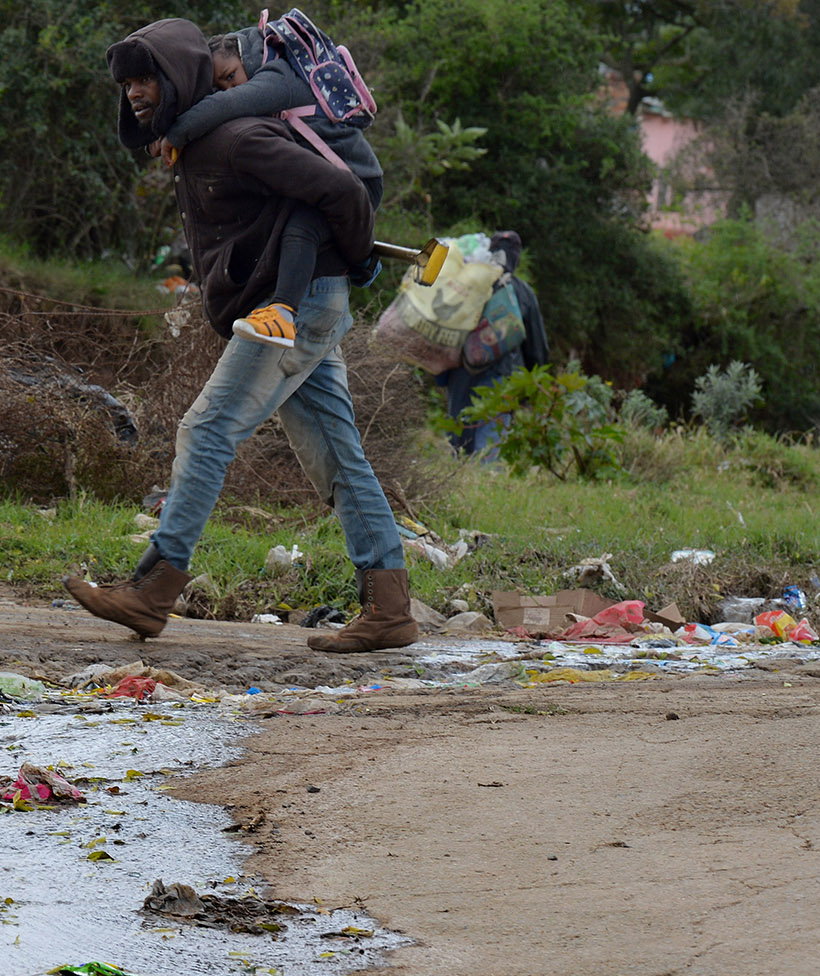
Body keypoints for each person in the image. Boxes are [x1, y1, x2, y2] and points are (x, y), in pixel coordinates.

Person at [77, 17, 414, 654]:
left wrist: (357, 255)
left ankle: (154, 590)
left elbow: (340, 189)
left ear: (178, 76)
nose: (135, 93)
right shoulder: (204, 139)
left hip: (295, 308)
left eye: (146, 77)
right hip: (303, 302)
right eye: (127, 85)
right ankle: (390, 606)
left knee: (206, 429)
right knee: (337, 454)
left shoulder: (234, 136)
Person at [159, 25, 386, 351]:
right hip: (329, 182)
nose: (228, 87)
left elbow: (227, 105)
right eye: (218, 85)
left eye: (229, 75)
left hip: (360, 181)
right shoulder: (269, 78)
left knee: (301, 226)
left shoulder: (278, 77)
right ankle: (360, 263)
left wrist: (174, 133)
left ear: (246, 55)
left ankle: (282, 312)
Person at [438, 231, 552, 455]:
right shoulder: (522, 292)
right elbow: (537, 350)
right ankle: (486, 481)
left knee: (459, 436)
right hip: (502, 376)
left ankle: (455, 482)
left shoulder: (467, 281)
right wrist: (531, 388)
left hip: (461, 372)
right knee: (490, 442)